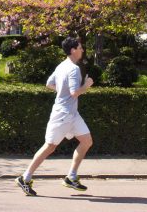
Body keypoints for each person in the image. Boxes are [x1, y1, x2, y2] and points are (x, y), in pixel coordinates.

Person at [15, 37, 94, 196]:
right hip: (63, 115)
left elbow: (49, 84)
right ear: (73, 50)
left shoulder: (61, 66)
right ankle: (25, 177)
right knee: (50, 146)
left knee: (87, 141)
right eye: (80, 47)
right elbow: (74, 92)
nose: (82, 50)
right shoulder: (73, 69)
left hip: (72, 114)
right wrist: (87, 85)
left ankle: (71, 177)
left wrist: (63, 92)